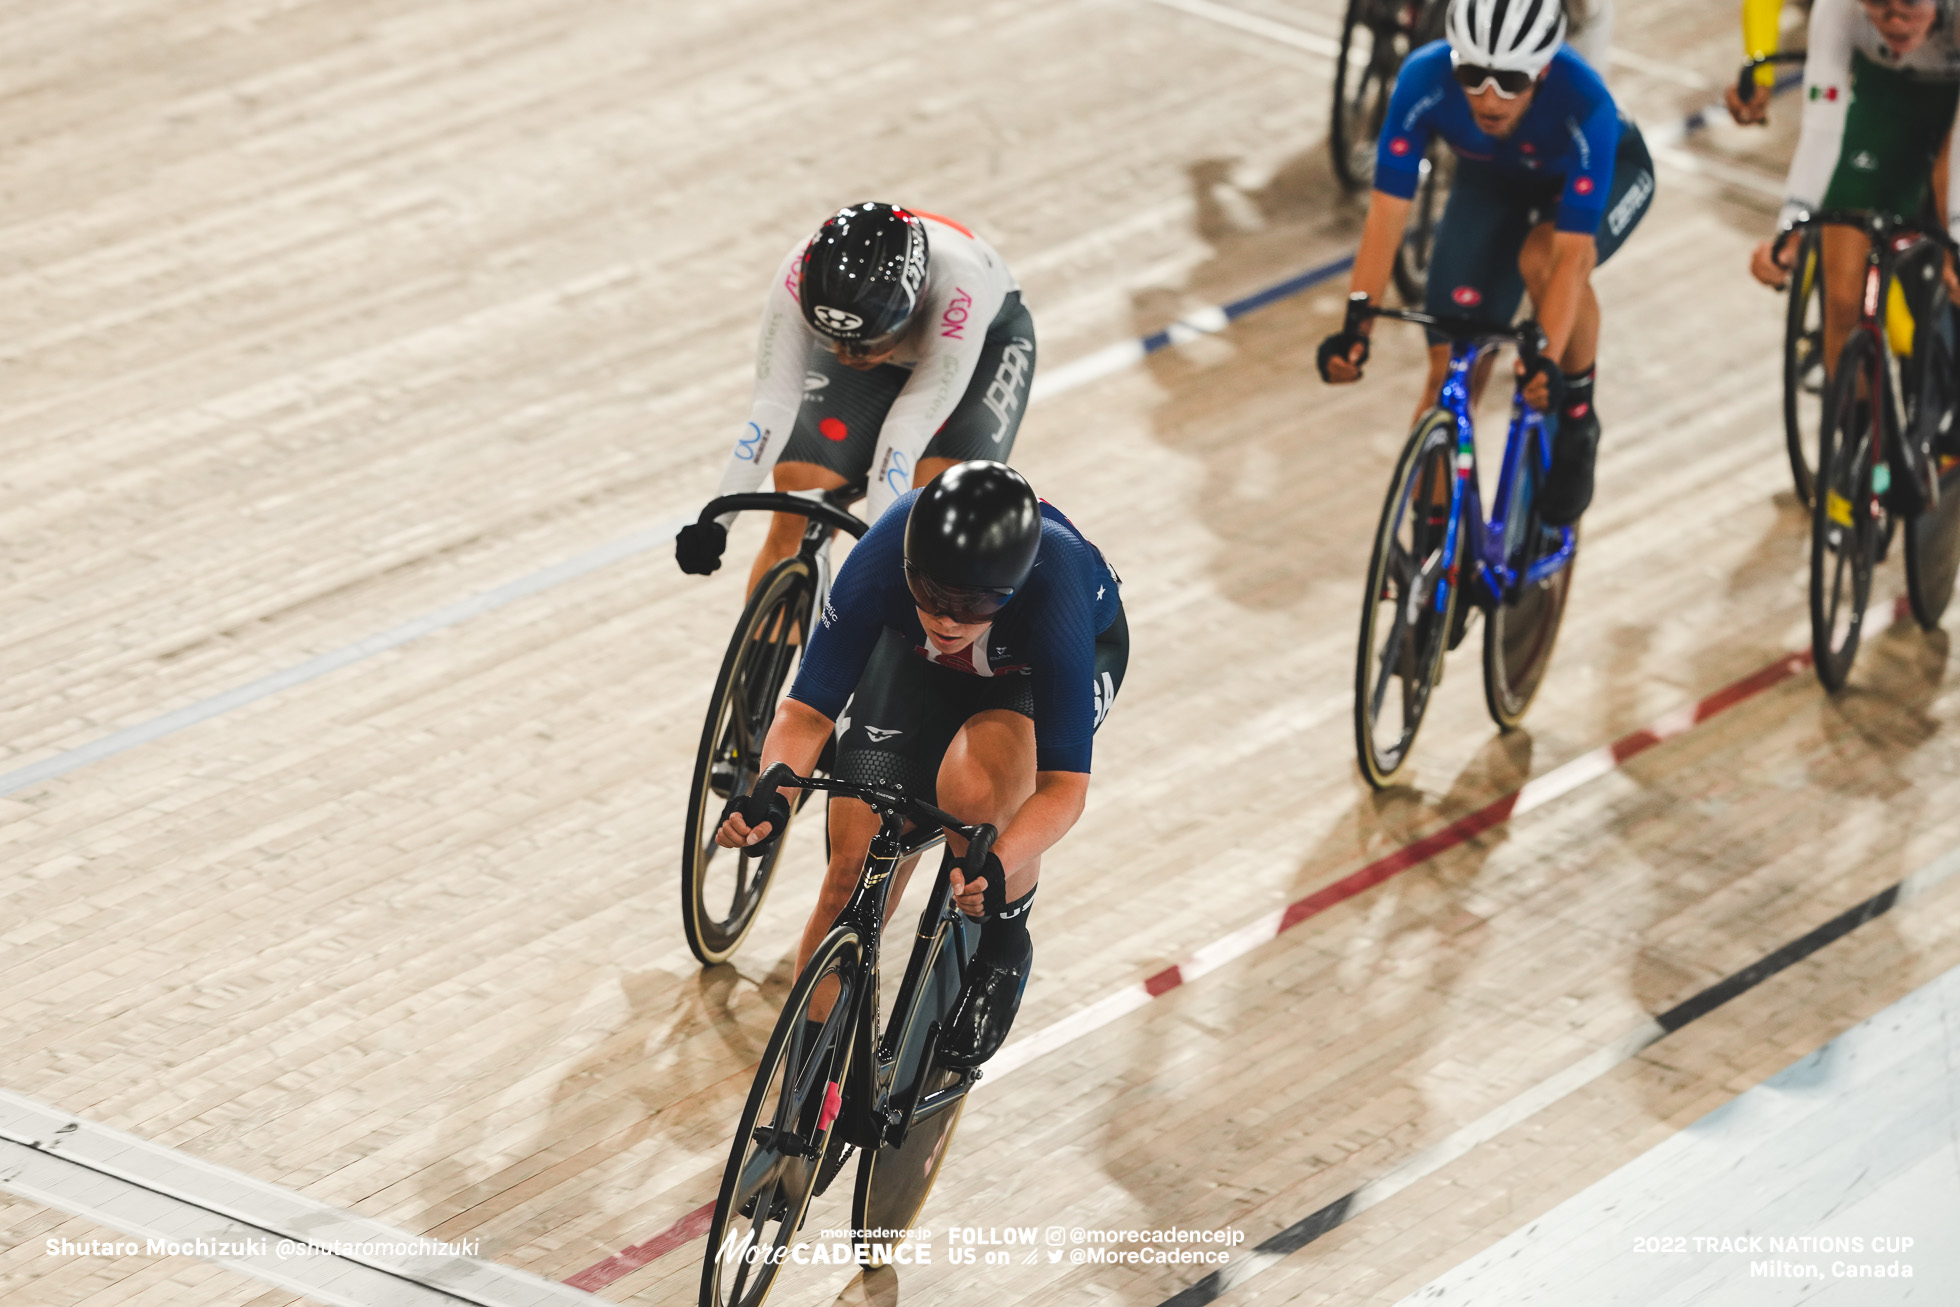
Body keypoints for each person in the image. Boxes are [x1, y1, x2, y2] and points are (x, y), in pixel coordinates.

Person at [714, 461, 1127, 1068]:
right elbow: (805, 713)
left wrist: (1000, 860)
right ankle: (804, 1083)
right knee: (848, 877)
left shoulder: (1056, 576)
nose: (950, 618)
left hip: (1035, 673)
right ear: (908, 567)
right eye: (932, 595)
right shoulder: (887, 546)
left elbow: (1063, 788)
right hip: (924, 666)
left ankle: (1004, 949)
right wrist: (770, 796)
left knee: (974, 794)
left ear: (1011, 588)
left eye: (978, 601)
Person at [1317, 0, 1654, 526]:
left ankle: (1579, 418)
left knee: (1543, 257)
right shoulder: (1423, 77)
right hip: (1494, 181)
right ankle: (1430, 557)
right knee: (1448, 372)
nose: (1489, 98)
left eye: (1510, 82)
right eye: (1473, 76)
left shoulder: (1585, 101)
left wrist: (1545, 356)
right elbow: (1387, 213)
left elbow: (1570, 256)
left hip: (1592, 183)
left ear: (1542, 72)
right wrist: (1357, 320)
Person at [674, 203, 1036, 591]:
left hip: (978, 348)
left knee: (933, 522)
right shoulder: (799, 273)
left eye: (868, 344)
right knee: (800, 495)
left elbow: (904, 434)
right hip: (891, 333)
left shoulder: (960, 288)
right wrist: (716, 521)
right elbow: (772, 407)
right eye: (829, 339)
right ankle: (770, 643)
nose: (848, 356)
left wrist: (884, 561)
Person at [1737, 0, 1960, 382]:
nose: (1894, 19)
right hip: (1884, 102)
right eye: (1877, 2)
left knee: (1946, 200)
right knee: (1841, 302)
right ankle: (1856, 426)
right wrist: (1792, 226)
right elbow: (1822, 129)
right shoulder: (1838, 8)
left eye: (1909, 2)